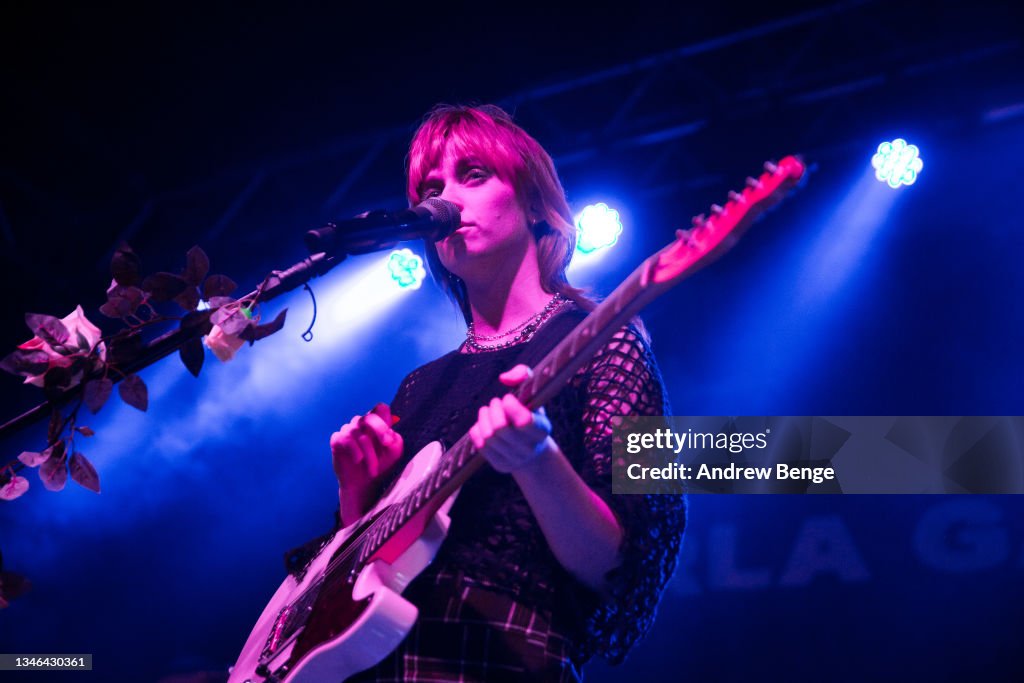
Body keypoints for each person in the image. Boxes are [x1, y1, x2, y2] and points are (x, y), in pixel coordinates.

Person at [313, 104, 685, 682]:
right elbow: (354, 592)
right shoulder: (419, 386)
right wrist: (356, 495)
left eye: (474, 175)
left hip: (501, 659)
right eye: (431, 188)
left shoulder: (610, 343)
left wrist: (537, 461)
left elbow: (623, 567)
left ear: (535, 202)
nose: (446, 200)